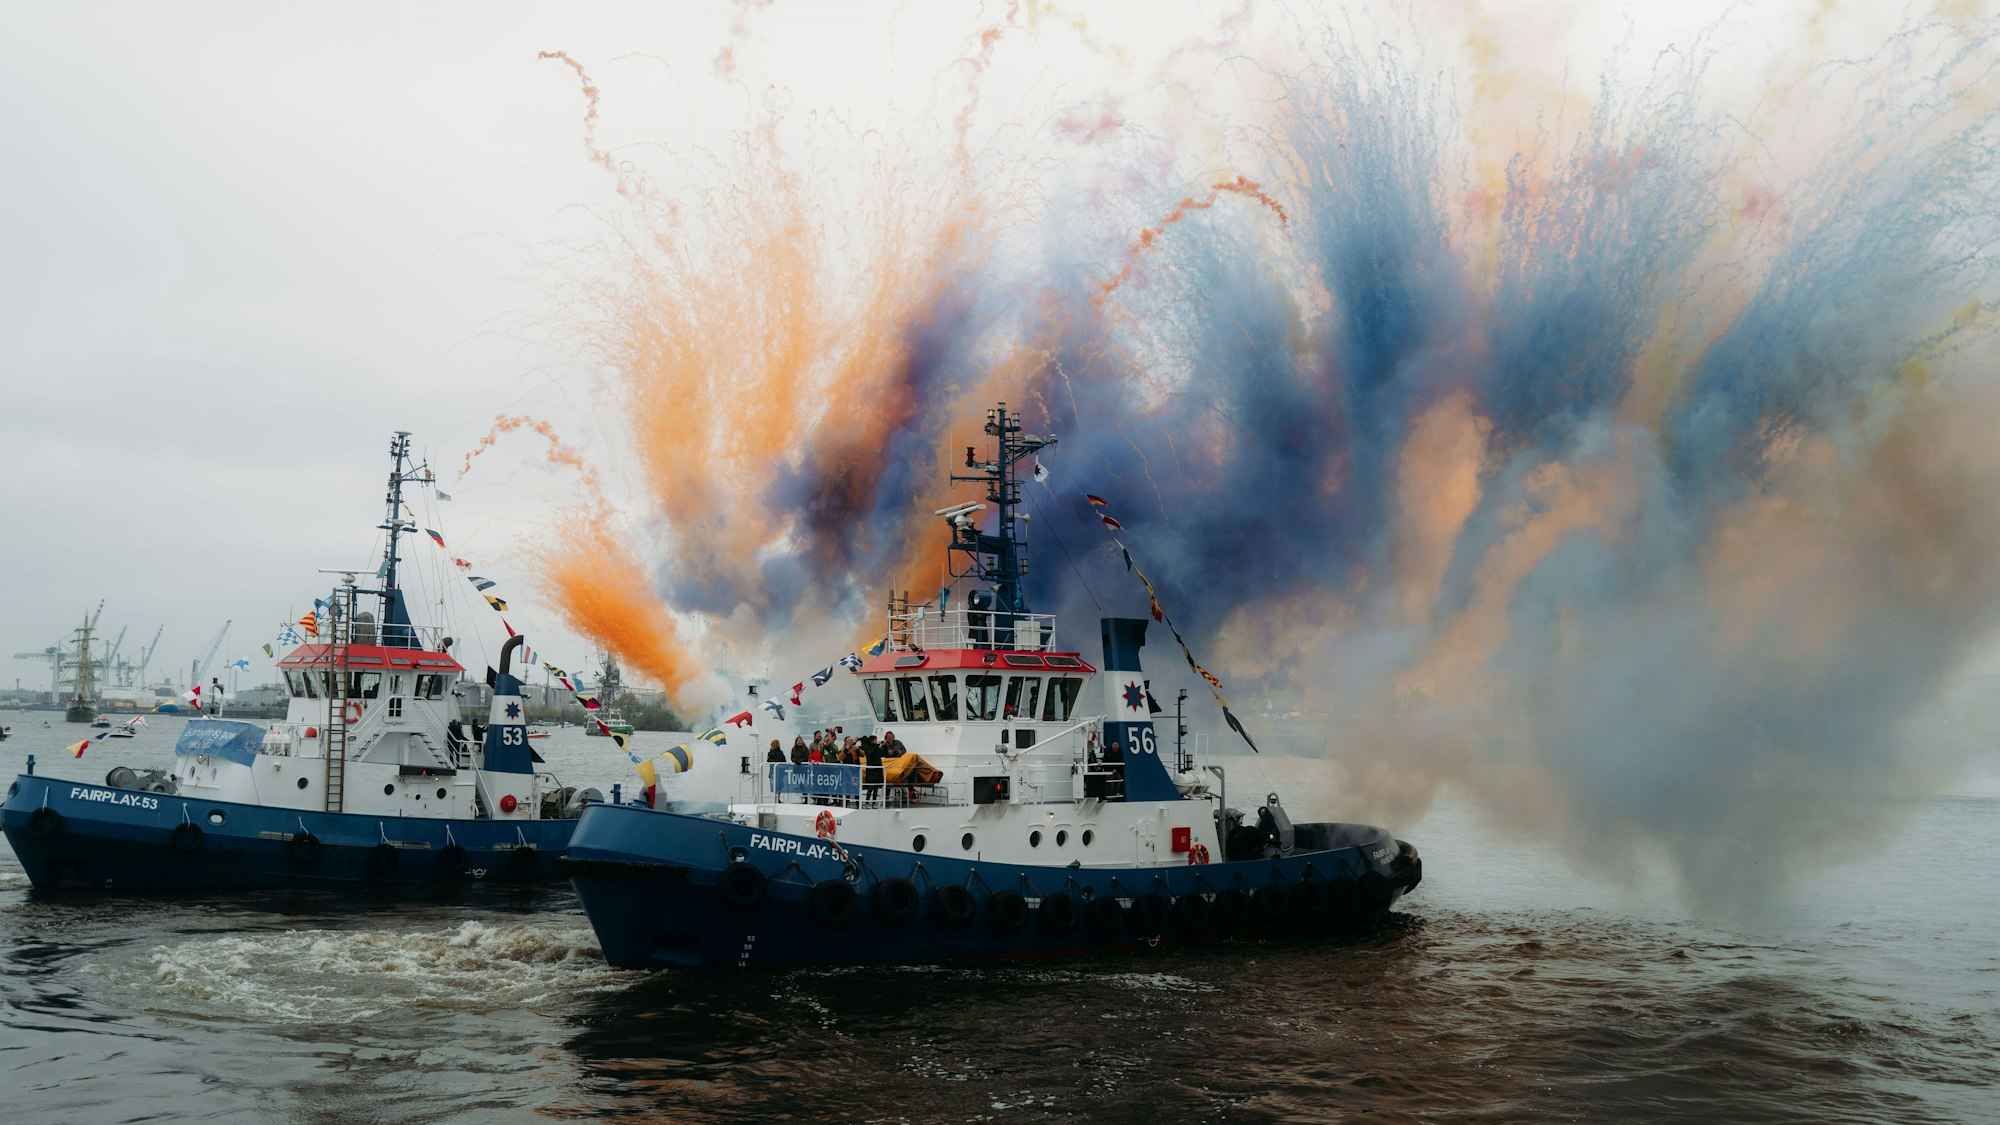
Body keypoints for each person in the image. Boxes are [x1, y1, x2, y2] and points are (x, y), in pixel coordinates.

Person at [861, 735, 885, 804]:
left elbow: (882, 753)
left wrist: (883, 746)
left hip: (877, 769)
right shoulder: (867, 747)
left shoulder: (876, 747)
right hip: (871, 769)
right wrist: (878, 746)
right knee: (870, 787)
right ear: (872, 740)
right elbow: (870, 754)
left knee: (876, 788)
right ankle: (867, 802)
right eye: (875, 740)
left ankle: (874, 802)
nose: (876, 741)